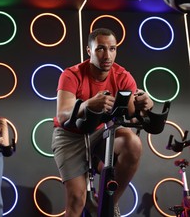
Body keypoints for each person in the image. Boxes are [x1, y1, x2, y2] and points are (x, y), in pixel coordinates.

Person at [51, 28, 154, 217]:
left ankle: (108, 203)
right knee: (77, 200)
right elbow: (63, 116)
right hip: (70, 136)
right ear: (89, 51)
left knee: (133, 143)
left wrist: (144, 105)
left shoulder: (123, 76)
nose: (107, 55)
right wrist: (88, 104)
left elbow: (131, 115)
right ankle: (92, 203)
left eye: (112, 49)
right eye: (100, 49)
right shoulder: (71, 74)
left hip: (101, 134)